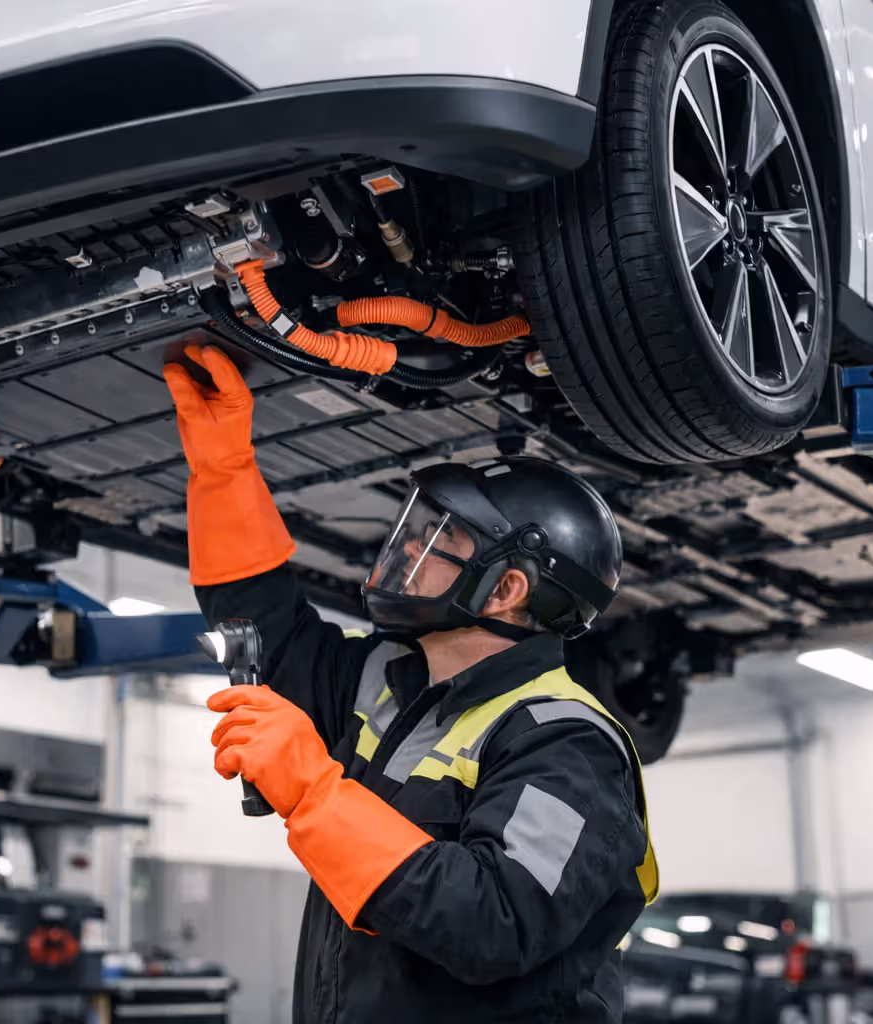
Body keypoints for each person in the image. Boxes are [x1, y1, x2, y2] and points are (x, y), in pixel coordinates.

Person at [163, 343, 658, 1023]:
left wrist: (314, 791)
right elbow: (266, 631)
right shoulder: (385, 680)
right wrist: (223, 472)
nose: (402, 553)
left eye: (435, 544)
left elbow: (497, 921)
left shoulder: (568, 743)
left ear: (505, 588)